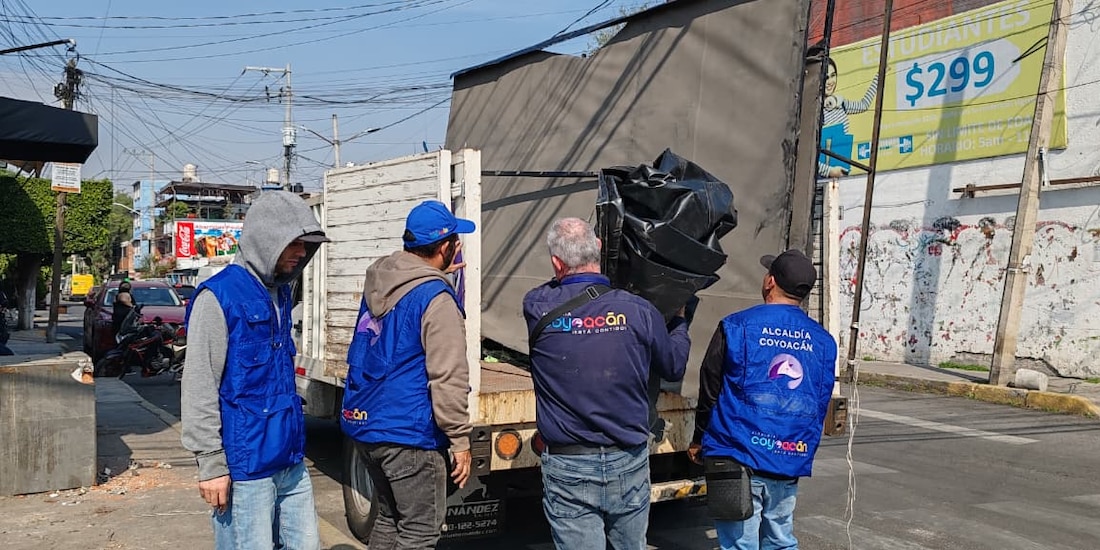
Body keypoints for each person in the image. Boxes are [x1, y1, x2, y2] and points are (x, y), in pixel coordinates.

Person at [523, 217, 690, 550]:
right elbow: (672, 365)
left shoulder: (537, 305)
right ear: (598, 247)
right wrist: (680, 321)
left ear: (556, 263)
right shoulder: (640, 311)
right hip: (627, 459)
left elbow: (558, 290)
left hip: (568, 464)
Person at [181, 190, 329, 550]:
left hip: (290, 461)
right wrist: (211, 465)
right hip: (246, 469)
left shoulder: (280, 295)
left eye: (306, 246)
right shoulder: (218, 297)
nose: (300, 254)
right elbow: (200, 384)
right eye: (294, 244)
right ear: (267, 239)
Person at [340, 199, 475, 549]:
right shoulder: (435, 297)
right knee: (420, 531)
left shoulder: (381, 284)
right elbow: (447, 374)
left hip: (366, 424)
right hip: (409, 433)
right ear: (444, 247)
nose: (458, 247)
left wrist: (441, 277)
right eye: (455, 242)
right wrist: (459, 439)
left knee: (389, 520)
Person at [689, 249, 837, 550]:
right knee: (781, 540)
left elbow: (710, 386)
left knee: (740, 544)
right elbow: (820, 402)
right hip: (788, 456)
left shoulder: (737, 326)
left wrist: (699, 438)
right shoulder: (823, 341)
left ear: (770, 281)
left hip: (737, 453)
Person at [819, 57, 878, 179]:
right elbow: (807, 154)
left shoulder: (841, 104)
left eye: (833, 75)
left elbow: (864, 105)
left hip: (840, 172)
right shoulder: (813, 112)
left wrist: (878, 78)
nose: (830, 81)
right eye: (826, 77)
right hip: (819, 179)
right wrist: (829, 171)